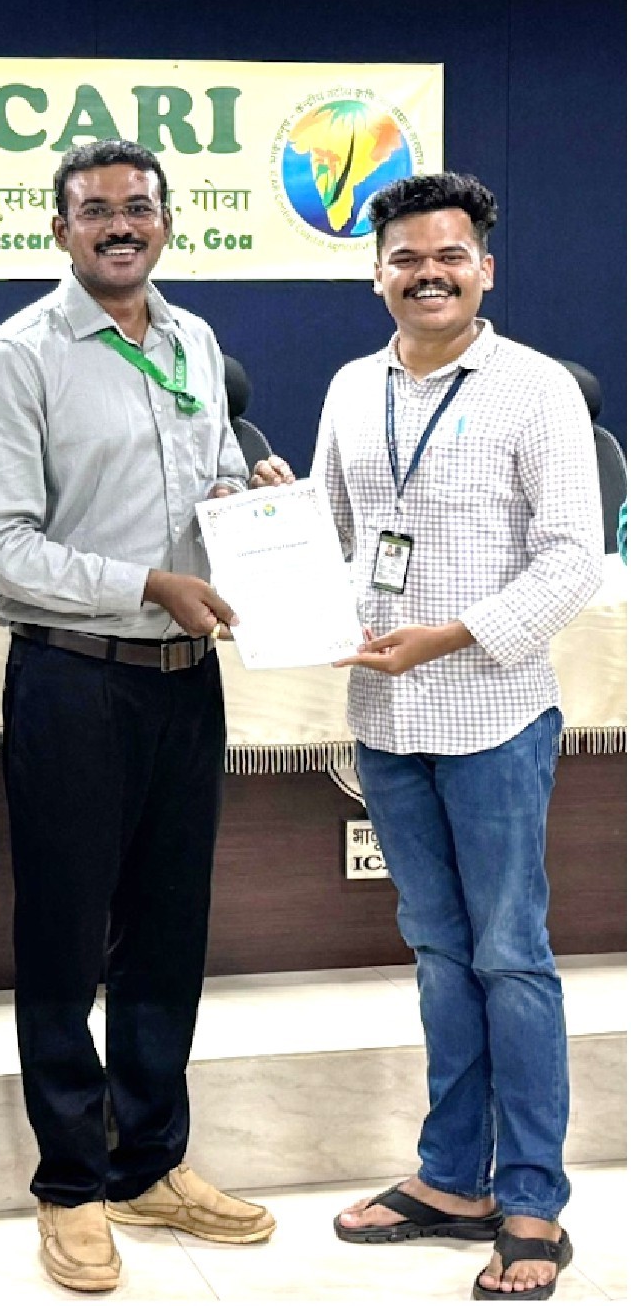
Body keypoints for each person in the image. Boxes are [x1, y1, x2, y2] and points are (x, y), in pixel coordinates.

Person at [0, 139, 291, 1294]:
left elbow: (198, 486)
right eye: (93, 209)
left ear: (164, 221)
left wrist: (249, 505)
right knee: (62, 939)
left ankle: (148, 1161)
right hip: (72, 677)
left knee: (165, 931)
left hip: (181, 679)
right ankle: (69, 1183)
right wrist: (144, 583)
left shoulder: (192, 340)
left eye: (136, 207)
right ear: (58, 230)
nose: (118, 224)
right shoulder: (18, 357)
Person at [317, 173, 600, 1301]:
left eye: (448, 256)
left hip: (492, 716)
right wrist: (280, 536)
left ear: (484, 267)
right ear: (377, 273)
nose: (425, 273)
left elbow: (571, 559)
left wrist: (449, 638)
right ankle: (450, 1179)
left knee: (508, 957)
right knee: (438, 953)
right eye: (405, 258)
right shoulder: (351, 387)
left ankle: (530, 1200)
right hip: (386, 721)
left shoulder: (535, 388)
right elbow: (338, 537)